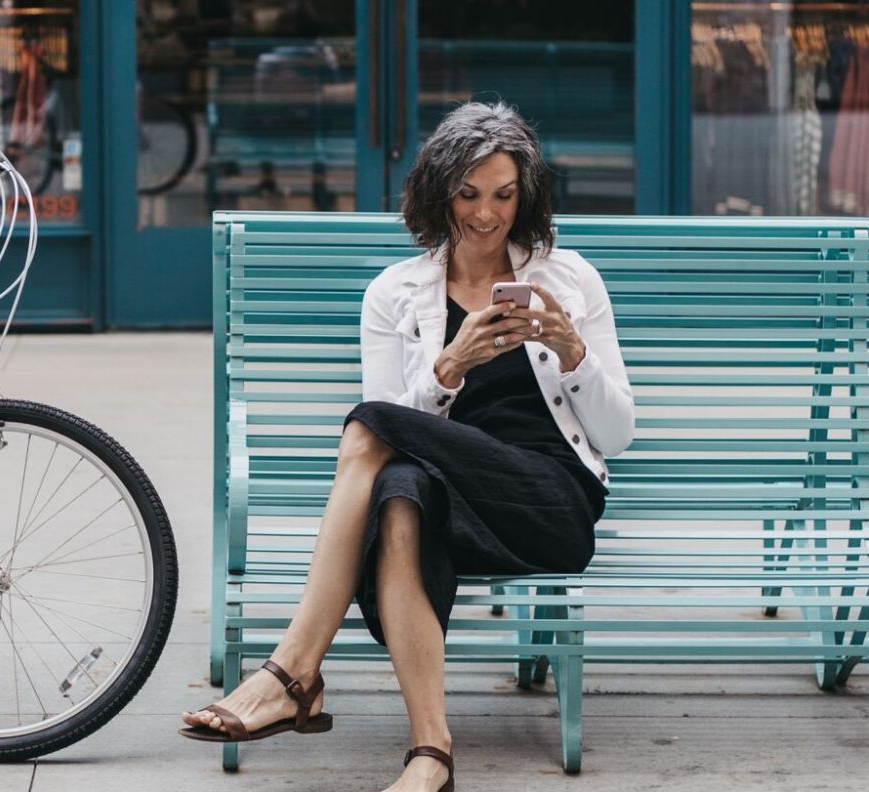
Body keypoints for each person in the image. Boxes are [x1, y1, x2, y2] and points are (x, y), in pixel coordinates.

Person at [180, 101, 635, 792]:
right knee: (397, 497)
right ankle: (432, 757)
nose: (487, 214)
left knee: (369, 425)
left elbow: (618, 434)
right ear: (439, 192)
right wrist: (449, 366)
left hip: (549, 498)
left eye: (505, 195)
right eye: (469, 194)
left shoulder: (568, 280)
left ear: (527, 195)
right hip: (451, 501)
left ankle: (293, 671)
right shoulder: (393, 295)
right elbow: (399, 439)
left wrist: (573, 353)